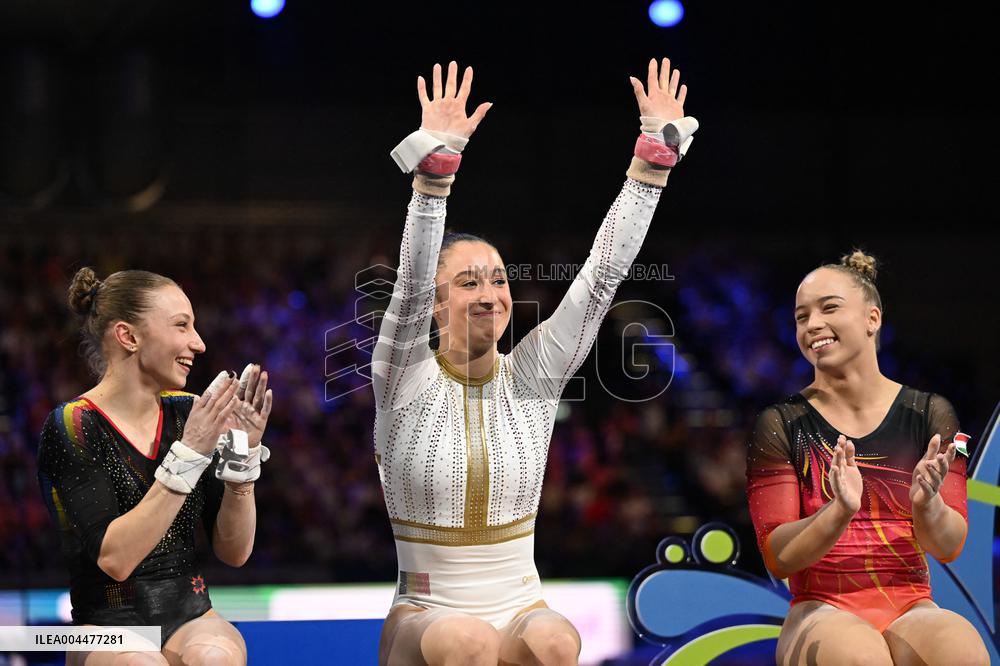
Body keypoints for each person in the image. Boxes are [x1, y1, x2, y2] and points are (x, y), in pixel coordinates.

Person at [373, 58, 696, 665]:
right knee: (466, 641)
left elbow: (601, 278)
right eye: (468, 282)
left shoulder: (531, 377)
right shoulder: (402, 379)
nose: (489, 294)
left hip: (520, 601)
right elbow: (409, 286)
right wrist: (433, 180)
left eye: (498, 280)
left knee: (555, 640)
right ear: (435, 305)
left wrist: (652, 162)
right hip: (426, 610)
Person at [745, 251, 989, 665]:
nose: (812, 324)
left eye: (829, 308)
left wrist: (927, 505)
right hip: (821, 606)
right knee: (858, 656)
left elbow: (950, 546)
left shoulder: (934, 414)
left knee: (962, 651)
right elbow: (778, 557)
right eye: (801, 317)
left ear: (872, 319)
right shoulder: (779, 423)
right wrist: (839, 510)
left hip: (911, 603)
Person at [38, 267, 273, 666]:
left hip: (190, 615)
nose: (198, 343)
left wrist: (241, 461)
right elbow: (116, 560)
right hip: (105, 623)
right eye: (181, 325)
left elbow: (234, 553)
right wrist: (189, 454)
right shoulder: (73, 424)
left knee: (214, 658)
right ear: (128, 336)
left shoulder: (190, 413)